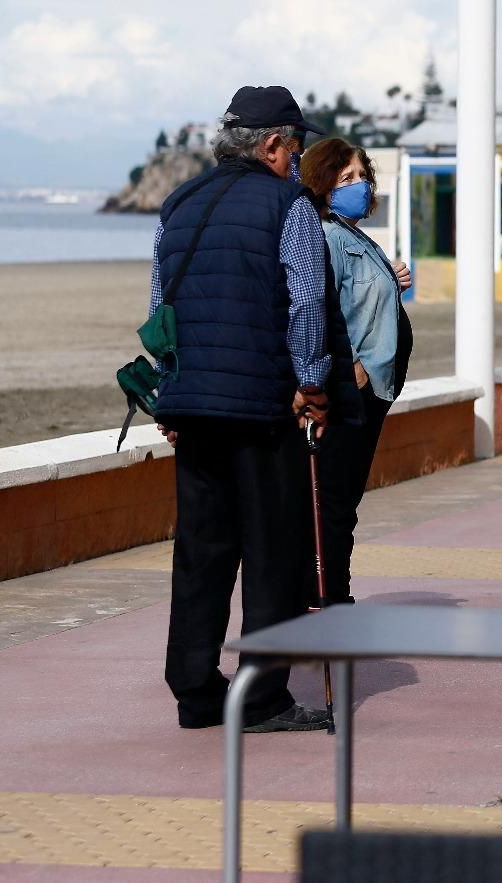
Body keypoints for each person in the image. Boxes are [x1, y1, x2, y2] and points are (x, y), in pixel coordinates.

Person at [150, 86, 336, 732]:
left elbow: (160, 310)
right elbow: (306, 302)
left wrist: (171, 391)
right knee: (272, 553)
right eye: (296, 147)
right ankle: (262, 697)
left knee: (201, 551)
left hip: (193, 404)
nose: (298, 159)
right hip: (261, 405)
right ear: (272, 144)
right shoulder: (290, 205)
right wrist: (312, 381)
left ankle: (196, 691)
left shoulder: (179, 203)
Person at [298, 138, 414, 603]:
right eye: (346, 178)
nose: (359, 185)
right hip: (353, 390)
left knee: (343, 500)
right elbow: (325, 311)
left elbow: (364, 297)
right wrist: (353, 370)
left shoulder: (354, 235)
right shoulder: (327, 237)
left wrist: (392, 277)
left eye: (362, 175)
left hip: (372, 390)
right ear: (322, 187)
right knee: (335, 500)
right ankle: (327, 595)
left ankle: (329, 592)